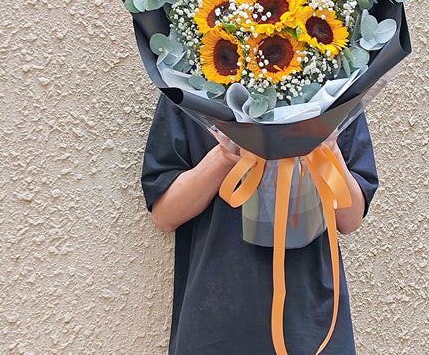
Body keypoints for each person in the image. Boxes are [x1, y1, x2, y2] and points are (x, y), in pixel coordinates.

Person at [142, 93, 379, 355]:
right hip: (216, 316)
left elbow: (350, 218)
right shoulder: (187, 86)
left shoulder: (334, 90)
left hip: (311, 320)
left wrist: (327, 149)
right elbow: (165, 215)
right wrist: (225, 155)